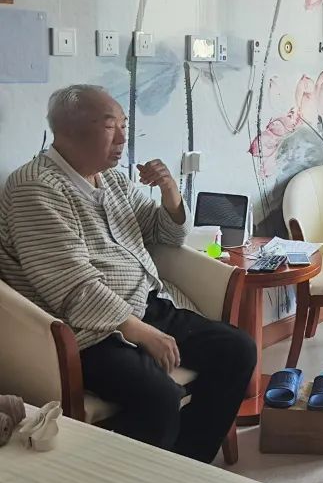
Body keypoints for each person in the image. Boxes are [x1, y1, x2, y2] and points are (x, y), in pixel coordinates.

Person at [0, 85, 256, 462]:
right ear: (68, 131)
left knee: (237, 350)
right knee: (159, 398)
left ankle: (187, 464)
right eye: (110, 126)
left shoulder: (113, 180)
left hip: (144, 305)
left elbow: (165, 234)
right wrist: (143, 333)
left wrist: (170, 192)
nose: (123, 137)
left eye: (124, 125)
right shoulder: (34, 188)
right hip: (84, 331)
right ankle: (127, 477)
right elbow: (73, 287)